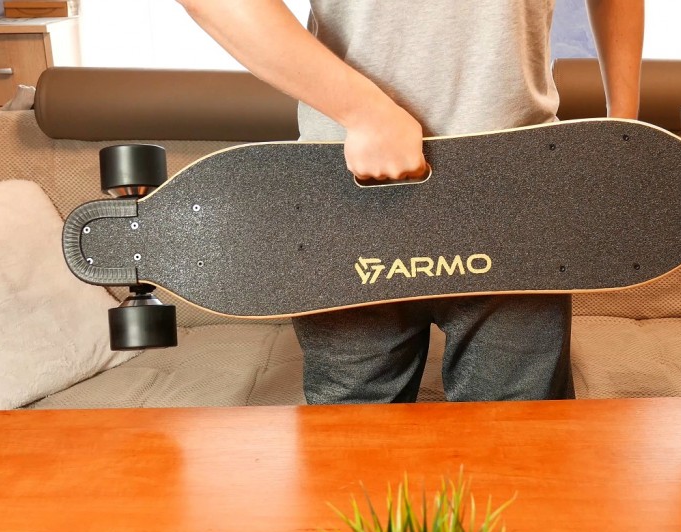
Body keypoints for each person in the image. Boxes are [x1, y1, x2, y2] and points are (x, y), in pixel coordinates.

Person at [177, 0, 644, 404]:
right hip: (348, 194)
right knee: (354, 459)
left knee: (520, 450)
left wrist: (623, 131)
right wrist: (363, 111)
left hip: (516, 188)